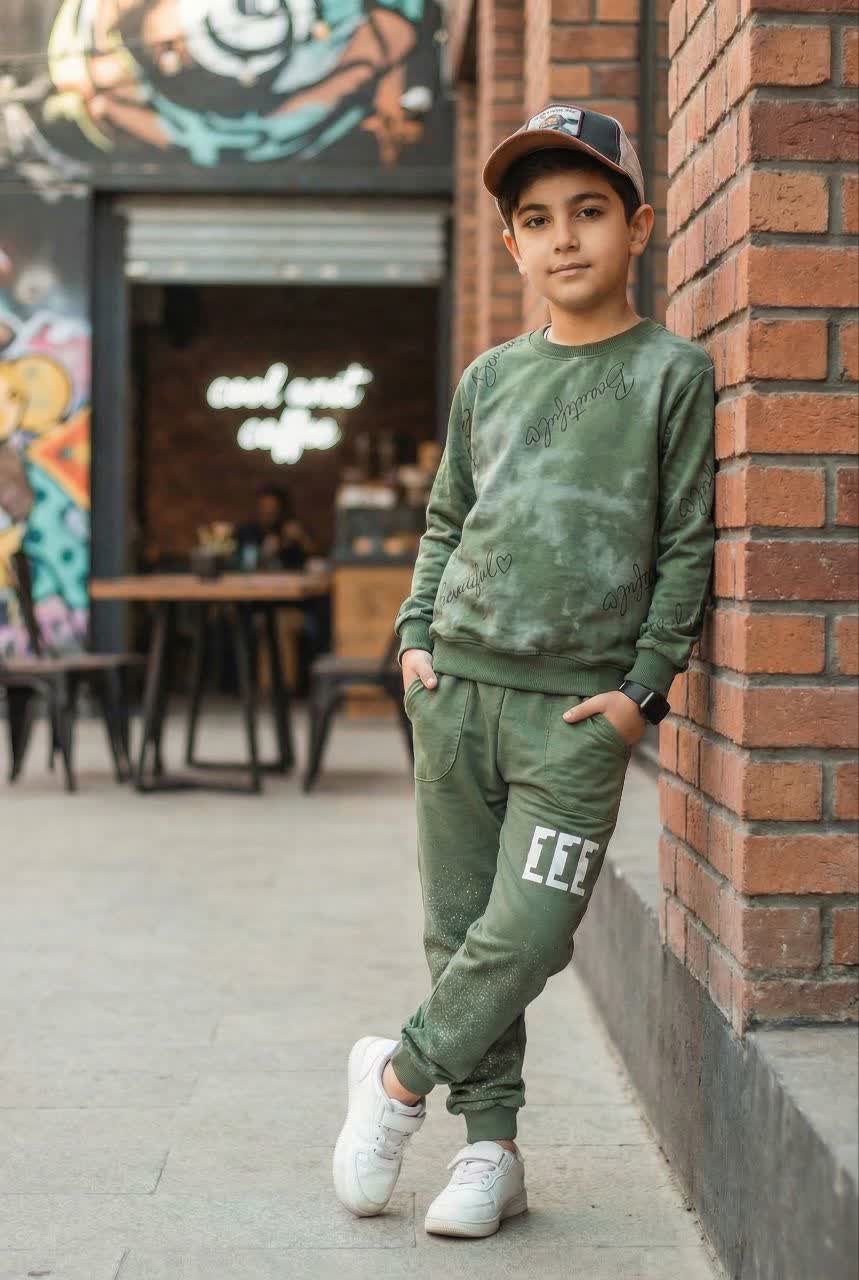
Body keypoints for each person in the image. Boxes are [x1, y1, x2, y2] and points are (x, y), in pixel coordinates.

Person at [332, 104, 716, 1238]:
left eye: (588, 211)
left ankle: (395, 1078)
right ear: (511, 245)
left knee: (532, 928)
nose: (563, 237)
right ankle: (488, 1148)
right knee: (459, 928)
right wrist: (414, 638)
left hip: (578, 714)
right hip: (455, 690)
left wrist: (642, 692)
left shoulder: (671, 373)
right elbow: (447, 518)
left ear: (637, 227)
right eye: (537, 219)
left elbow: (686, 542)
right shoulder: (489, 378)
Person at [235, 484, 315, 571]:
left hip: (288, 577)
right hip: (255, 577)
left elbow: (315, 556)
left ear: (280, 509)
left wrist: (302, 538)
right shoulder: (246, 531)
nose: (268, 511)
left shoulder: (289, 528)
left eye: (272, 507)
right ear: (257, 508)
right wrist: (262, 554)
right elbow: (238, 564)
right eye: (264, 507)